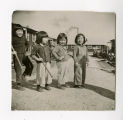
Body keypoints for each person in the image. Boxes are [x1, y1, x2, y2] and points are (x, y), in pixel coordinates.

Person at [12, 24, 29, 90]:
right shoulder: (12, 38)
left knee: (30, 65)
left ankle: (23, 75)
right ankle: (18, 84)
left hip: (24, 54)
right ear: (14, 31)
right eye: (18, 31)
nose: (20, 32)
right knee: (18, 69)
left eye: (21, 31)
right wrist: (12, 52)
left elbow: (27, 44)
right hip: (17, 55)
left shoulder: (24, 37)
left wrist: (27, 50)